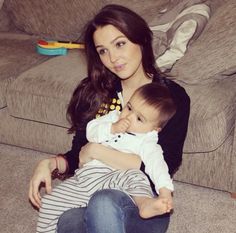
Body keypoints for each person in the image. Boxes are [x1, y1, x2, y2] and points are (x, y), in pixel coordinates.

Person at [29, 4, 190, 233]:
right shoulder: (96, 93)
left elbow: (165, 163)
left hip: (141, 199)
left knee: (103, 203)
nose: (113, 58)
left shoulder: (170, 98)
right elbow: (78, 156)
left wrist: (97, 151)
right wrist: (50, 163)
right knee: (67, 221)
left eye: (120, 44)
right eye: (103, 50)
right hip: (89, 190)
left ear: (141, 40)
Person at [37, 83, 176, 233]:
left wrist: (165, 193)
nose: (128, 117)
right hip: (87, 177)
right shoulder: (113, 117)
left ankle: (144, 203)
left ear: (154, 129)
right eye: (129, 108)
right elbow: (90, 131)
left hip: (116, 180)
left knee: (135, 176)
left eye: (139, 119)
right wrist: (112, 128)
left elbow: (158, 166)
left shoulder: (147, 141)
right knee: (48, 202)